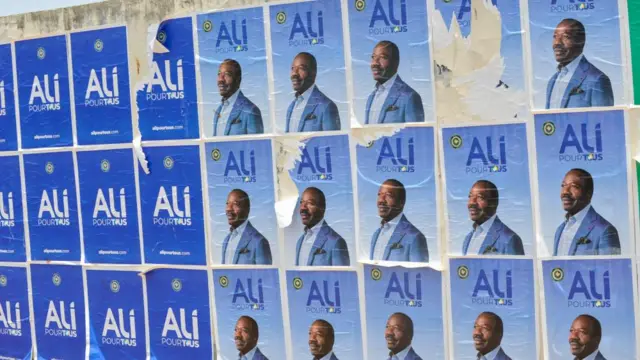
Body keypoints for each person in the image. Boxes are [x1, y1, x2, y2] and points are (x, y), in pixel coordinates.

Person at [545, 19, 613, 109]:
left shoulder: (597, 79)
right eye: (555, 36)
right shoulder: (552, 81)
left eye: (565, 37)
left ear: (580, 42)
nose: (557, 43)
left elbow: (604, 121)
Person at [553, 169, 620, 256]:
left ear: (588, 194)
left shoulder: (605, 231)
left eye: (574, 186)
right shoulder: (560, 229)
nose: (565, 191)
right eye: (563, 185)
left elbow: (611, 268)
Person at [365, 41, 424, 124]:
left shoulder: (410, 96)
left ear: (396, 62)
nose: (375, 63)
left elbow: (416, 134)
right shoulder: (371, 98)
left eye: (382, 57)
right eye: (373, 57)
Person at [370, 179, 428, 262]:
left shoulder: (414, 237)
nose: (381, 200)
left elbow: (420, 274)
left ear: (401, 202)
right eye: (379, 195)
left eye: (388, 195)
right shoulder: (376, 235)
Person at [462, 180, 524, 255]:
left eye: (479, 197)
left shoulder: (509, 239)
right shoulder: (468, 238)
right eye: (470, 196)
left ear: (494, 203)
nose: (472, 202)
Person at [285, 52, 340, 132]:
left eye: (301, 68)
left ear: (313, 73)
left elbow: (333, 143)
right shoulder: (291, 107)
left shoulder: (327, 107)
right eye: (293, 68)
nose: (294, 73)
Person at [295, 187, 349, 266]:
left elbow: (342, 277)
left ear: (322, 208)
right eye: (301, 202)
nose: (303, 207)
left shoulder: (336, 242)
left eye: (310, 203)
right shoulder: (300, 241)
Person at [213, 59, 264, 136]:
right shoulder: (218, 111)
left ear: (238, 80)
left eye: (227, 74)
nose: (220, 79)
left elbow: (258, 146)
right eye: (219, 74)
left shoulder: (251, 110)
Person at [222, 189, 272, 265]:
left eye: (235, 204)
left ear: (247, 209)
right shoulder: (226, 240)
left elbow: (265, 275)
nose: (228, 208)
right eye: (227, 203)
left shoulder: (259, 242)